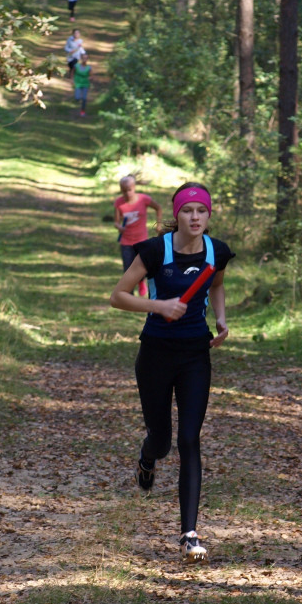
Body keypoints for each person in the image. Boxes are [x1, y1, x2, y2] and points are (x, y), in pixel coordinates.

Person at [109, 183, 235, 563]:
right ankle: (147, 458)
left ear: (209, 215)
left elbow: (216, 285)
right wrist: (159, 304)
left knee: (189, 439)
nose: (195, 217)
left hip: (196, 354)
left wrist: (221, 320)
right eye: (188, 211)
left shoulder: (217, 251)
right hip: (156, 353)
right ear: (176, 215)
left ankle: (189, 534)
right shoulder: (155, 250)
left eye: (202, 211)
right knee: (162, 441)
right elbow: (118, 296)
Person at [114, 176, 161, 297]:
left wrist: (159, 224)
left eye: (129, 189)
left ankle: (141, 282)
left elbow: (158, 208)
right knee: (128, 268)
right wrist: (119, 227)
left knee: (143, 266)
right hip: (126, 241)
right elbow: (116, 221)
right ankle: (128, 295)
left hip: (141, 240)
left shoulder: (143, 199)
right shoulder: (119, 203)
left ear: (134, 188)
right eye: (124, 190)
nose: (127, 193)